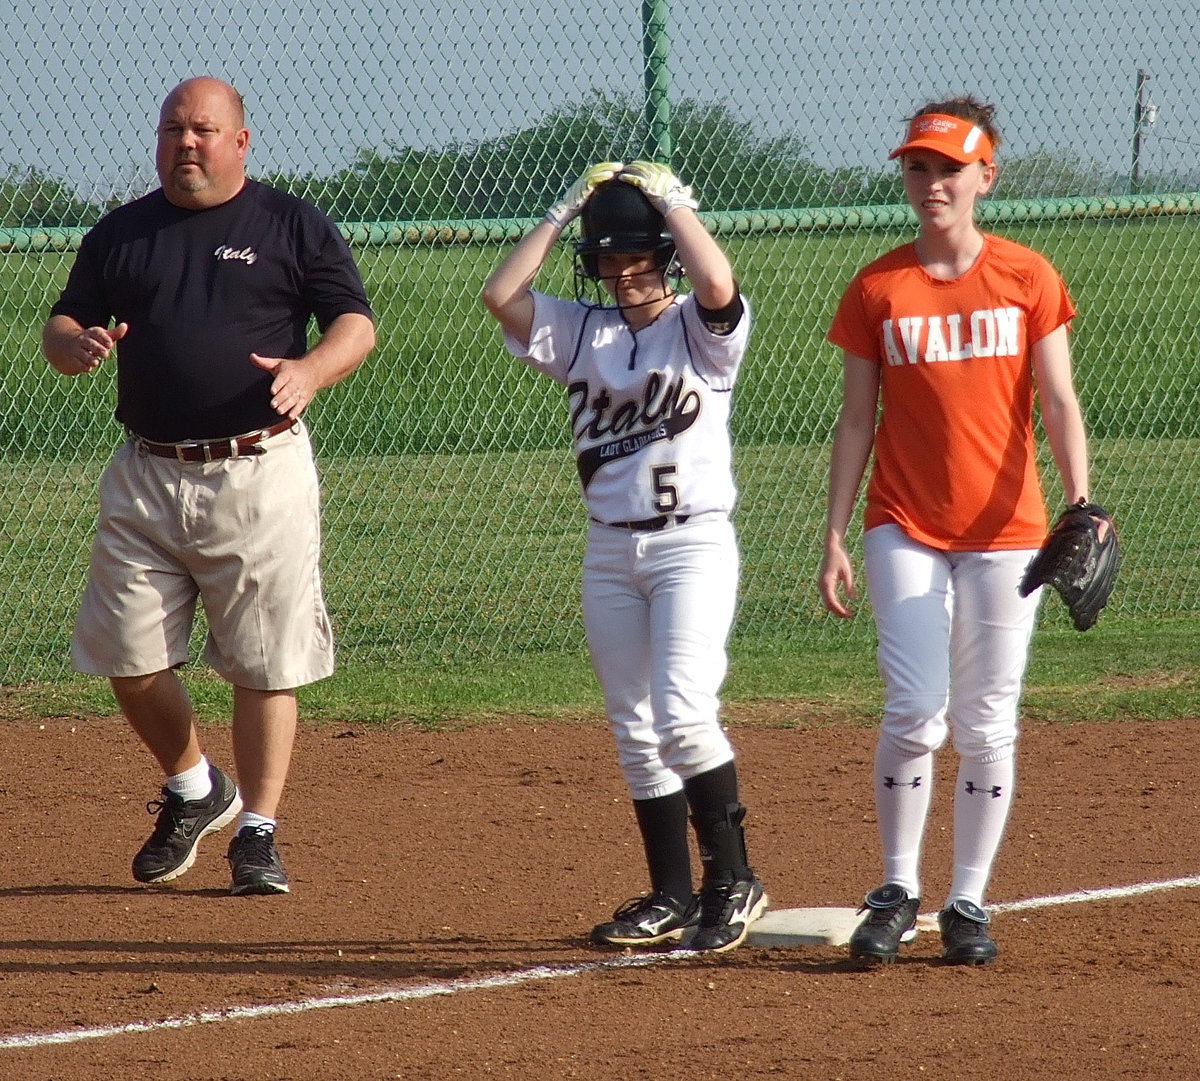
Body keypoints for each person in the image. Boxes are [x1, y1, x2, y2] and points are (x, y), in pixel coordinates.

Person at [42, 76, 376, 896]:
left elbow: (354, 323)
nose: (185, 142)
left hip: (256, 470)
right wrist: (74, 343)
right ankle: (196, 787)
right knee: (127, 654)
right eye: (171, 129)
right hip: (147, 473)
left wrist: (309, 370)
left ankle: (256, 831)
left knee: (265, 661)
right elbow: (60, 324)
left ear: (240, 141)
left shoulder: (289, 224)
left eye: (202, 129)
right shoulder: (122, 233)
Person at [819, 97, 1102, 964]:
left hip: (1007, 530)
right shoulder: (879, 286)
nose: (932, 182)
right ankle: (897, 888)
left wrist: (1080, 504)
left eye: (950, 168)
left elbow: (1057, 400)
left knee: (987, 720)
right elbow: (856, 421)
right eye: (918, 167)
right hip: (902, 523)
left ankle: (967, 899)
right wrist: (834, 533)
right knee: (915, 708)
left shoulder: (1027, 277)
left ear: (987, 175)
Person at [481, 161, 767, 952]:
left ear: (665, 254)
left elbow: (718, 279)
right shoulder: (582, 330)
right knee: (635, 727)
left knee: (682, 710)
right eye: (608, 258)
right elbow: (499, 296)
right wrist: (560, 210)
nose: (623, 270)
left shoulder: (701, 334)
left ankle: (734, 879)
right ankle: (673, 892)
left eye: (637, 256)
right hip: (610, 549)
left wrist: (673, 203)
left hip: (692, 544)